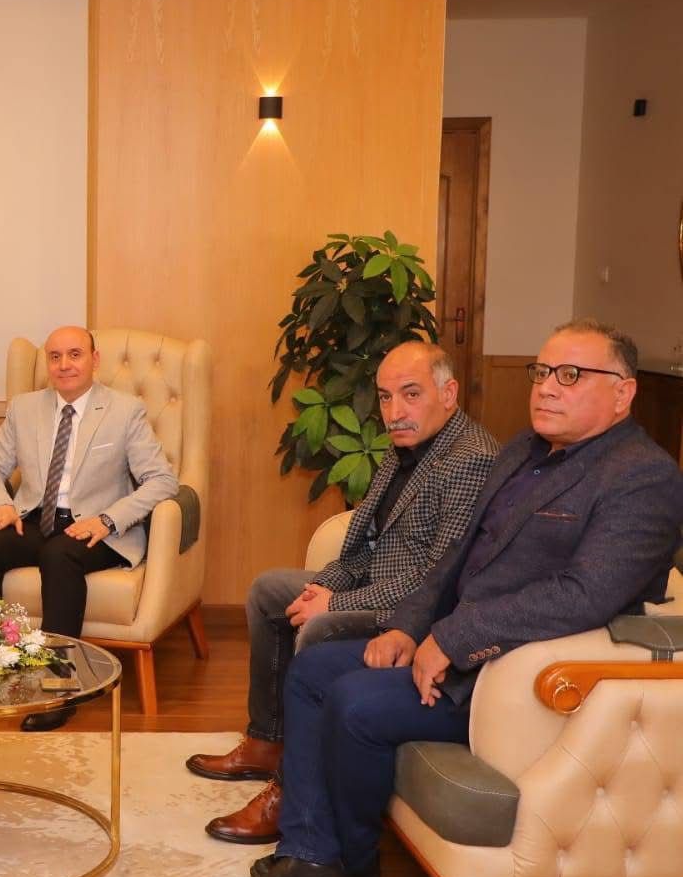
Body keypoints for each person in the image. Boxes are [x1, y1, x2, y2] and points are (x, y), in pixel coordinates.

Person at [222, 319, 683, 877]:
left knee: (355, 703)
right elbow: (455, 558)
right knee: (313, 672)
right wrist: (407, 627)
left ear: (623, 392)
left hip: (515, 679)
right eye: (542, 371)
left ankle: (347, 865)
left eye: (571, 375)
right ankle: (310, 854)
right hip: (457, 649)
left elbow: (583, 595)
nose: (547, 387)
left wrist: (454, 638)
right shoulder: (523, 451)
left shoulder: (642, 477)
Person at [187, 342, 498, 843]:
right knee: (270, 591)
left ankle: (289, 790)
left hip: (413, 611)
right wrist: (324, 585)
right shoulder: (404, 445)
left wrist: (335, 604)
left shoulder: (470, 460)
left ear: (449, 393)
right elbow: (364, 546)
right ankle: (267, 740)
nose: (395, 412)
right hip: (372, 586)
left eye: (411, 394)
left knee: (323, 627)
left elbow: (438, 577)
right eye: (386, 397)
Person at [0, 325, 178, 731]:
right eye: (55, 356)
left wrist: (109, 519)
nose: (64, 365)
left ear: (94, 360)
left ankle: (58, 689)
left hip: (99, 528)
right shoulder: (24, 408)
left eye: (75, 355)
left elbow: (162, 480)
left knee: (59, 555)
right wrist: (2, 505)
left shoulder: (124, 410)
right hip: (38, 518)